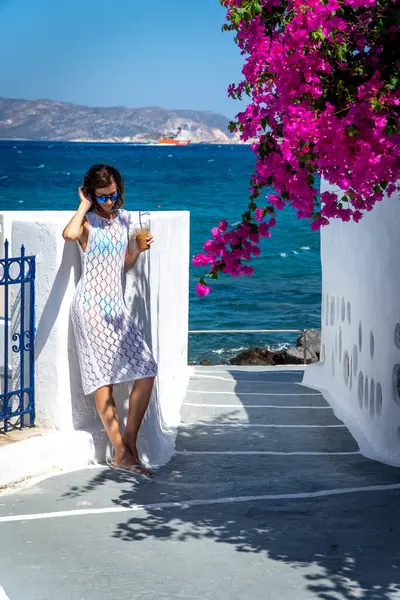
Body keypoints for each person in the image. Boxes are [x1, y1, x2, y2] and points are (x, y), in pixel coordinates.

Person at [62, 164, 157, 477]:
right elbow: (69, 234)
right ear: (91, 194)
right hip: (89, 308)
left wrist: (138, 251)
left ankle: (128, 445)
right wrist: (83, 205)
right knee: (104, 379)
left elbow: (121, 267)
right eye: (102, 196)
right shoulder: (87, 222)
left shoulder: (125, 219)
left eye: (113, 194)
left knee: (146, 369)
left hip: (116, 310)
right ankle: (121, 453)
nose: (109, 201)